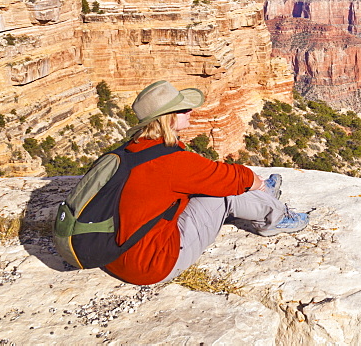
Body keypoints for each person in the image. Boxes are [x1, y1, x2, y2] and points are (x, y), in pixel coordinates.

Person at [103, 80, 309, 286]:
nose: (191, 111)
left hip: (114, 257)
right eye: (183, 109)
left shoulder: (128, 152)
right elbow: (228, 178)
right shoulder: (170, 162)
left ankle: (264, 198)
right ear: (169, 117)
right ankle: (275, 217)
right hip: (151, 264)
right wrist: (258, 183)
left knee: (207, 188)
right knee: (224, 192)